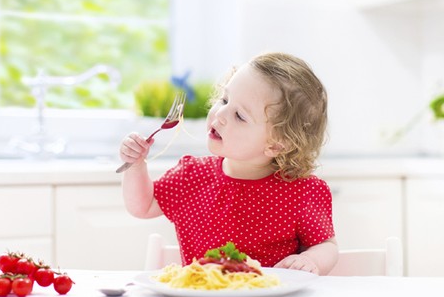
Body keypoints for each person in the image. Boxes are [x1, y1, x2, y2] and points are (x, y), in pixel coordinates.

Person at [118, 52, 338, 275]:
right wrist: (136, 166)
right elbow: (143, 206)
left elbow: (325, 246)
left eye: (240, 116)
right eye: (224, 100)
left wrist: (311, 260)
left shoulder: (303, 191)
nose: (220, 114)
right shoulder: (191, 175)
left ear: (277, 144)